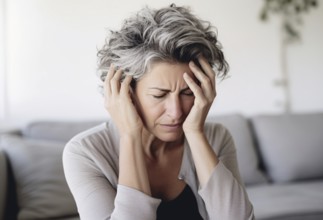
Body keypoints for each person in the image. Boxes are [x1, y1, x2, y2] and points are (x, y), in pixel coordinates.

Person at [63, 4, 255, 220]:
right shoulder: (85, 153)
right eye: (159, 95)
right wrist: (130, 137)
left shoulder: (216, 138)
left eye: (187, 92)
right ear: (126, 92)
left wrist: (195, 133)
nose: (176, 112)